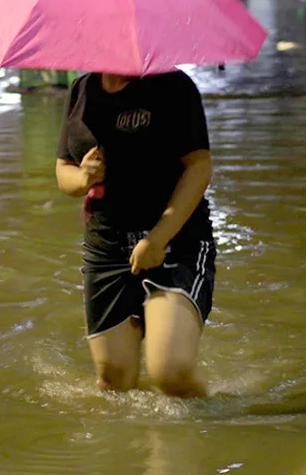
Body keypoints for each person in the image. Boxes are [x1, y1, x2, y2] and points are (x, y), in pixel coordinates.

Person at [55, 70, 216, 398]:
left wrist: (158, 239)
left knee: (171, 373)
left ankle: (212, 439)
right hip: (107, 247)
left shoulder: (173, 85)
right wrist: (83, 177)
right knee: (114, 382)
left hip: (175, 241)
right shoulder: (82, 88)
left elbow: (199, 167)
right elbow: (63, 171)